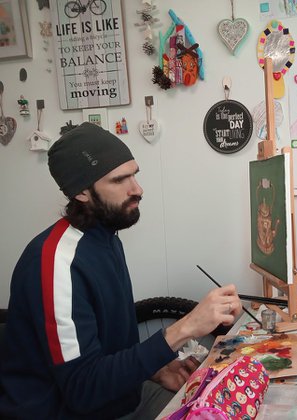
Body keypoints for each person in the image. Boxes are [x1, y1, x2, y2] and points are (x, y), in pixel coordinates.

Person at [0, 122, 242, 419]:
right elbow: (83, 389)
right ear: (81, 193)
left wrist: (156, 369)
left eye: (135, 175)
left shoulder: (106, 238)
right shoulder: (54, 262)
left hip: (122, 397)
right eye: (119, 180)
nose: (137, 189)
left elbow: (104, 350)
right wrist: (186, 327)